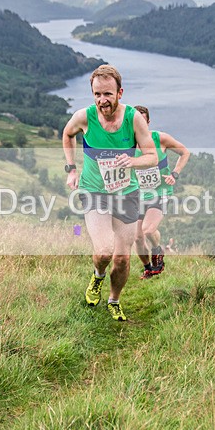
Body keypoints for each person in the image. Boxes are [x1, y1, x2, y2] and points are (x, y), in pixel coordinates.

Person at [62, 65, 157, 321]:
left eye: (107, 94)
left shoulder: (133, 119)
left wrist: (132, 162)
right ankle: (97, 277)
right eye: (97, 94)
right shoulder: (85, 117)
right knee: (104, 251)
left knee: (122, 259)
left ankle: (114, 300)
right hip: (94, 191)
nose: (102, 100)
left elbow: (152, 155)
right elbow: (67, 134)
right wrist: (71, 169)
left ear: (120, 93)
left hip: (126, 193)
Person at [132, 105, 190, 279]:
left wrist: (175, 173)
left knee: (148, 230)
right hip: (138, 195)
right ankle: (148, 268)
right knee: (137, 238)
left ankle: (158, 252)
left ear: (148, 122)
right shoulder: (126, 145)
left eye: (143, 121)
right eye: (136, 122)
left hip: (160, 192)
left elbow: (184, 152)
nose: (140, 125)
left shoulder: (160, 139)